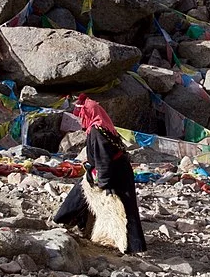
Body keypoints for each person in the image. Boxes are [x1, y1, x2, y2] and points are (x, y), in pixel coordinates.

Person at [53, 95, 147, 254]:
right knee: (83, 195)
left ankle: (133, 246)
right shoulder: (102, 126)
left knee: (124, 207)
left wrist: (105, 184)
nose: (80, 119)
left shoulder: (97, 131)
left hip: (114, 174)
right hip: (116, 171)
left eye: (81, 115)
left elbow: (104, 160)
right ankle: (71, 222)